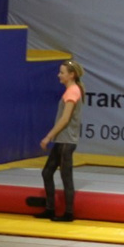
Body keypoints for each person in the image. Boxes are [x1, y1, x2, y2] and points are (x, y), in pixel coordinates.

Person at [39, 59, 83, 223]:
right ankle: (50, 208)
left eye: (62, 72)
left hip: (66, 141)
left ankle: (68, 213)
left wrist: (48, 136)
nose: (59, 75)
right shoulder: (71, 90)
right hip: (63, 140)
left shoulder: (72, 92)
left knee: (66, 177)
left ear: (71, 75)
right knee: (47, 172)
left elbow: (65, 119)